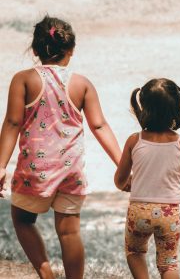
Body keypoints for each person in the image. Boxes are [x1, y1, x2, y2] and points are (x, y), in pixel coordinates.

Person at [0, 15, 122, 279]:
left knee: (22, 220)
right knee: (69, 232)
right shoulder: (81, 84)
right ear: (71, 50)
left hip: (35, 170)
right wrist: (123, 164)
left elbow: (11, 122)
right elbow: (99, 126)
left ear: (35, 50)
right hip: (71, 172)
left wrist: (0, 165)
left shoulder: (23, 80)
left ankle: (46, 274)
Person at [114, 78, 180, 279]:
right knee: (168, 263)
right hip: (169, 213)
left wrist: (130, 184)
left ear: (143, 108)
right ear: (177, 108)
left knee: (135, 252)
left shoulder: (135, 140)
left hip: (139, 211)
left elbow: (119, 180)